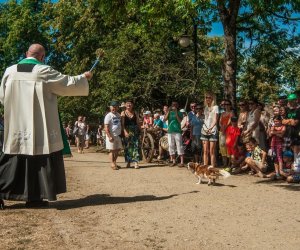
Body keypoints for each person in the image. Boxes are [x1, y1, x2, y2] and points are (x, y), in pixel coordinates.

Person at [0, 43, 92, 208]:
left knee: (13, 159)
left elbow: (2, 97)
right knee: (39, 160)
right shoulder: (44, 71)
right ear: (42, 57)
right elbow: (67, 84)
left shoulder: (9, 71)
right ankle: (35, 196)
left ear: (26, 53)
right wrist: (84, 77)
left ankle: (33, 197)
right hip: (40, 127)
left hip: (15, 126)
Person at [121, 99, 141, 169]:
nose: (129, 105)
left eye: (130, 104)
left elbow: (138, 123)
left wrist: (140, 130)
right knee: (128, 147)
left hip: (135, 131)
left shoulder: (135, 112)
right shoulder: (123, 113)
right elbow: (122, 124)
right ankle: (128, 162)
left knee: (136, 146)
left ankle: (136, 163)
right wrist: (125, 132)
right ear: (125, 105)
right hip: (127, 131)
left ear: (132, 105)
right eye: (127, 103)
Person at [201, 92, 219, 167]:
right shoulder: (205, 108)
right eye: (206, 97)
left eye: (209, 97)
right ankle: (205, 167)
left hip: (212, 130)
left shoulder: (216, 107)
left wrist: (210, 128)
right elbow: (205, 119)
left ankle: (212, 168)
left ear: (212, 98)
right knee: (205, 151)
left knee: (212, 151)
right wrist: (205, 128)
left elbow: (216, 119)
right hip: (204, 130)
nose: (207, 99)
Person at [164, 101, 184, 167]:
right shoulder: (169, 112)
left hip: (177, 131)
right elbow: (164, 119)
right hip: (170, 131)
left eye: (175, 105)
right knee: (171, 146)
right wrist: (169, 111)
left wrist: (176, 112)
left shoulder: (180, 113)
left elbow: (180, 121)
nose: (174, 106)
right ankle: (173, 161)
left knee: (179, 145)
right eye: (173, 105)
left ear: (177, 106)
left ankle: (181, 162)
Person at [104, 101, 122, 170]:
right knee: (112, 150)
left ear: (117, 107)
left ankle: (114, 162)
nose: (114, 108)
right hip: (111, 135)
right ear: (110, 107)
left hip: (118, 135)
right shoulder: (108, 116)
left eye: (116, 107)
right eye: (113, 107)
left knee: (118, 149)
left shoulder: (118, 115)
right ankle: (112, 163)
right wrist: (109, 136)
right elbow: (106, 127)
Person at [219, 99, 234, 167]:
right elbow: (219, 122)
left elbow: (229, 122)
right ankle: (224, 163)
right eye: (225, 104)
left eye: (228, 104)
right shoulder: (222, 113)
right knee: (222, 147)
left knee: (228, 147)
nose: (226, 106)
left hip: (228, 131)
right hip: (222, 131)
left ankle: (229, 164)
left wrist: (224, 129)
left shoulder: (231, 112)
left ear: (230, 105)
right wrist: (222, 127)